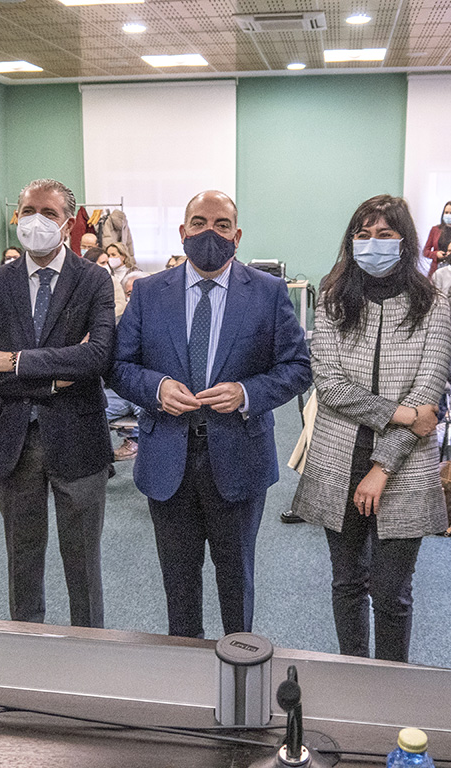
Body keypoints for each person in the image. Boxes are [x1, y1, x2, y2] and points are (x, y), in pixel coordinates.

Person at [110, 190, 311, 639]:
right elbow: (119, 366)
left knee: (236, 578)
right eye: (199, 223)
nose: (209, 233)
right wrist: (156, 388)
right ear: (183, 232)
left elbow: (298, 367)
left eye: (222, 225)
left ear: (236, 236)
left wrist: (246, 392)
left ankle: (240, 667)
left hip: (239, 456)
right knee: (178, 581)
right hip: (167, 457)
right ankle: (185, 665)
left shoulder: (268, 292)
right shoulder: (149, 293)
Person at [291, 195, 451, 661]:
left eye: (384, 234)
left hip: (404, 465)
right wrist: (403, 414)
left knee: (392, 592)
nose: (372, 243)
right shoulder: (332, 299)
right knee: (347, 583)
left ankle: (391, 683)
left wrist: (382, 467)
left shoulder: (433, 304)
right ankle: (352, 672)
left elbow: (428, 393)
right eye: (363, 235)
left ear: (405, 241)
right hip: (337, 458)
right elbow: (330, 386)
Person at [0, 178, 115, 628]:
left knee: (83, 561)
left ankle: (88, 645)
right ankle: (27, 643)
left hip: (79, 437)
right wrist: (55, 380)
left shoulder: (94, 279)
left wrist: (16, 362)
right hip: (14, 440)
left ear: (68, 223)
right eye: (29, 211)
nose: (37, 221)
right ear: (17, 217)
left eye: (49, 213)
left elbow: (97, 356)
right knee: (22, 558)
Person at [422, 201, 451, 276]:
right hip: (436, 268)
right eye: (446, 212)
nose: (448, 215)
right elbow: (425, 251)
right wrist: (436, 254)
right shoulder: (435, 230)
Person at [85, 245, 128, 321]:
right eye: (103, 263)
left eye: (107, 262)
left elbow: (120, 305)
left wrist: (103, 316)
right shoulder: (81, 281)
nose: (107, 266)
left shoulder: (113, 281)